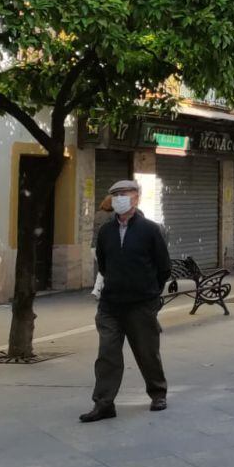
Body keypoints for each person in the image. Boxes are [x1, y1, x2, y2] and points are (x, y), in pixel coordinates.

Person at [81, 179, 170, 423]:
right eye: (116, 194)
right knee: (107, 354)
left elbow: (164, 267)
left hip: (141, 303)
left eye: (124, 193)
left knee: (147, 351)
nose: (120, 198)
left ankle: (158, 393)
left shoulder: (151, 230)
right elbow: (103, 263)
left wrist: (151, 294)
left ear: (136, 197)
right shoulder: (105, 232)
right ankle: (104, 403)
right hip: (111, 304)